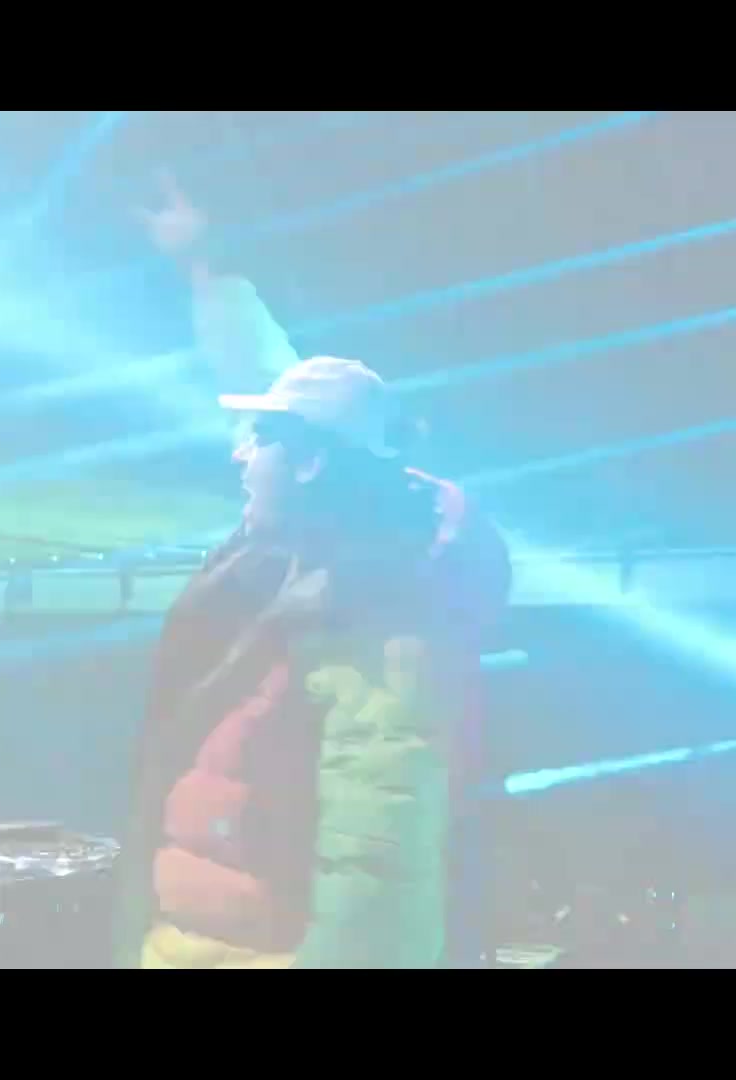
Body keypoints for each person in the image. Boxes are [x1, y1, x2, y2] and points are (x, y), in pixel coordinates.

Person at [112, 176, 512, 968]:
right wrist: (205, 268)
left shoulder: (382, 629)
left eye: (258, 440)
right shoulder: (304, 577)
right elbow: (263, 370)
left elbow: (375, 889)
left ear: (310, 465)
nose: (239, 454)